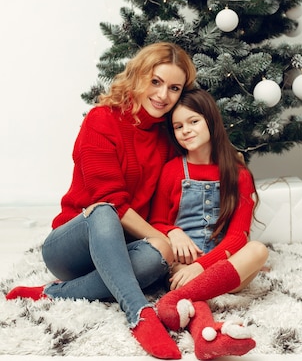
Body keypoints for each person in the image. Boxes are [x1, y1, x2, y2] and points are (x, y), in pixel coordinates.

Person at [6, 42, 197, 360]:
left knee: (157, 256)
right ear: (138, 76)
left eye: (174, 88)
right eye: (156, 81)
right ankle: (139, 315)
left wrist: (167, 236)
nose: (163, 95)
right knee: (105, 209)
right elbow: (111, 201)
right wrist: (157, 236)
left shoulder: (167, 138)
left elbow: (166, 200)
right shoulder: (101, 120)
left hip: (121, 251)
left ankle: (52, 294)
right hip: (72, 247)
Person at [149, 88, 269, 354]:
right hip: (181, 265)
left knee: (258, 250)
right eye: (178, 126)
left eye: (194, 121)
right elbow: (155, 221)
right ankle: (207, 339)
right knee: (187, 281)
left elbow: (238, 237)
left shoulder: (238, 174)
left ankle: (174, 300)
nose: (186, 130)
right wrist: (173, 232)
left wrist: (201, 267)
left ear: (210, 121)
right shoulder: (171, 171)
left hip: (221, 268)